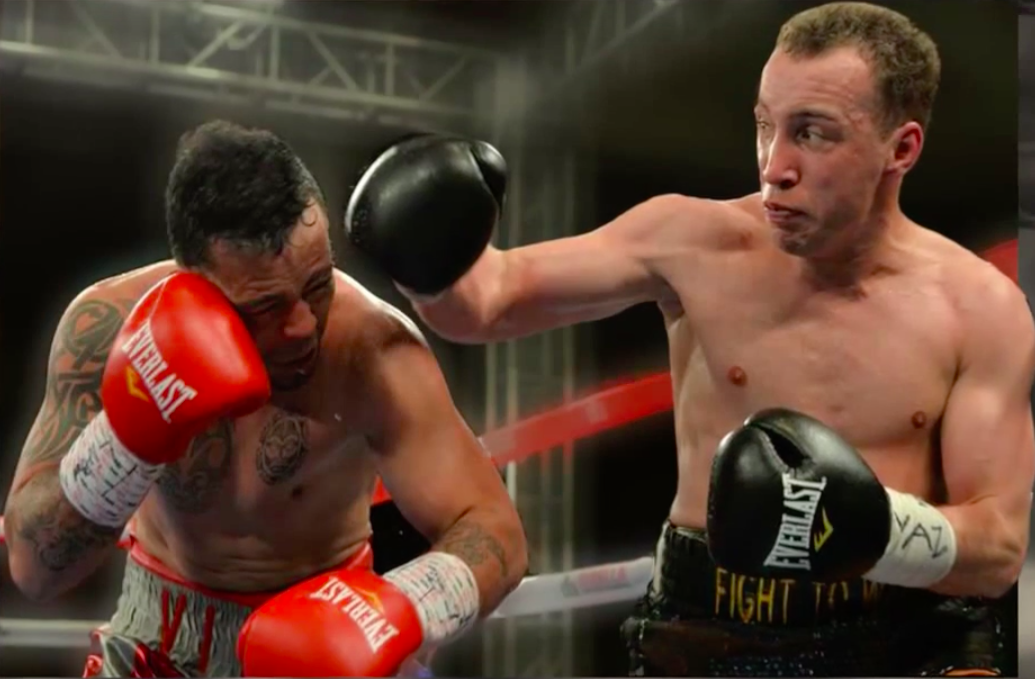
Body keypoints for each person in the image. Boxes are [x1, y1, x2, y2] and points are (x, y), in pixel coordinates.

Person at [343, 2, 1033, 676]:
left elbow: (999, 549)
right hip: (706, 628)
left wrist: (876, 529)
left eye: (812, 133)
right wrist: (428, 252)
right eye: (765, 125)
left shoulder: (977, 308)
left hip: (902, 635)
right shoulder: (694, 242)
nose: (774, 164)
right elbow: (487, 303)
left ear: (900, 148)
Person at [2, 120, 528, 677]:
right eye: (266, 307)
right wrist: (124, 441)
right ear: (195, 281)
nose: (302, 326)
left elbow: (494, 530)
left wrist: (395, 611)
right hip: (153, 643)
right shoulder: (107, 327)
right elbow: (35, 569)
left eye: (317, 285)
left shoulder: (372, 351)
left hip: (320, 646)